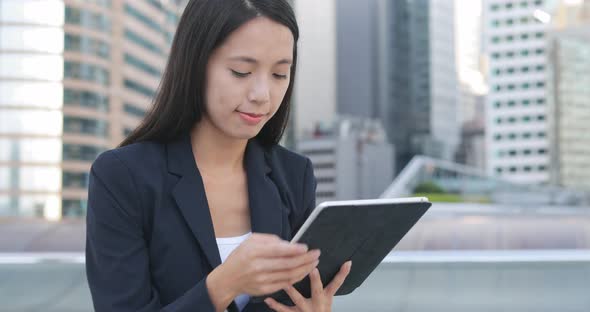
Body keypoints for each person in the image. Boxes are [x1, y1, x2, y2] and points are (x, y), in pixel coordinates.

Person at [85, 0, 351, 311]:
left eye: (280, 74)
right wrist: (224, 285)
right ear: (195, 64)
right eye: (241, 71)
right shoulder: (121, 177)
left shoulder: (294, 175)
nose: (262, 94)